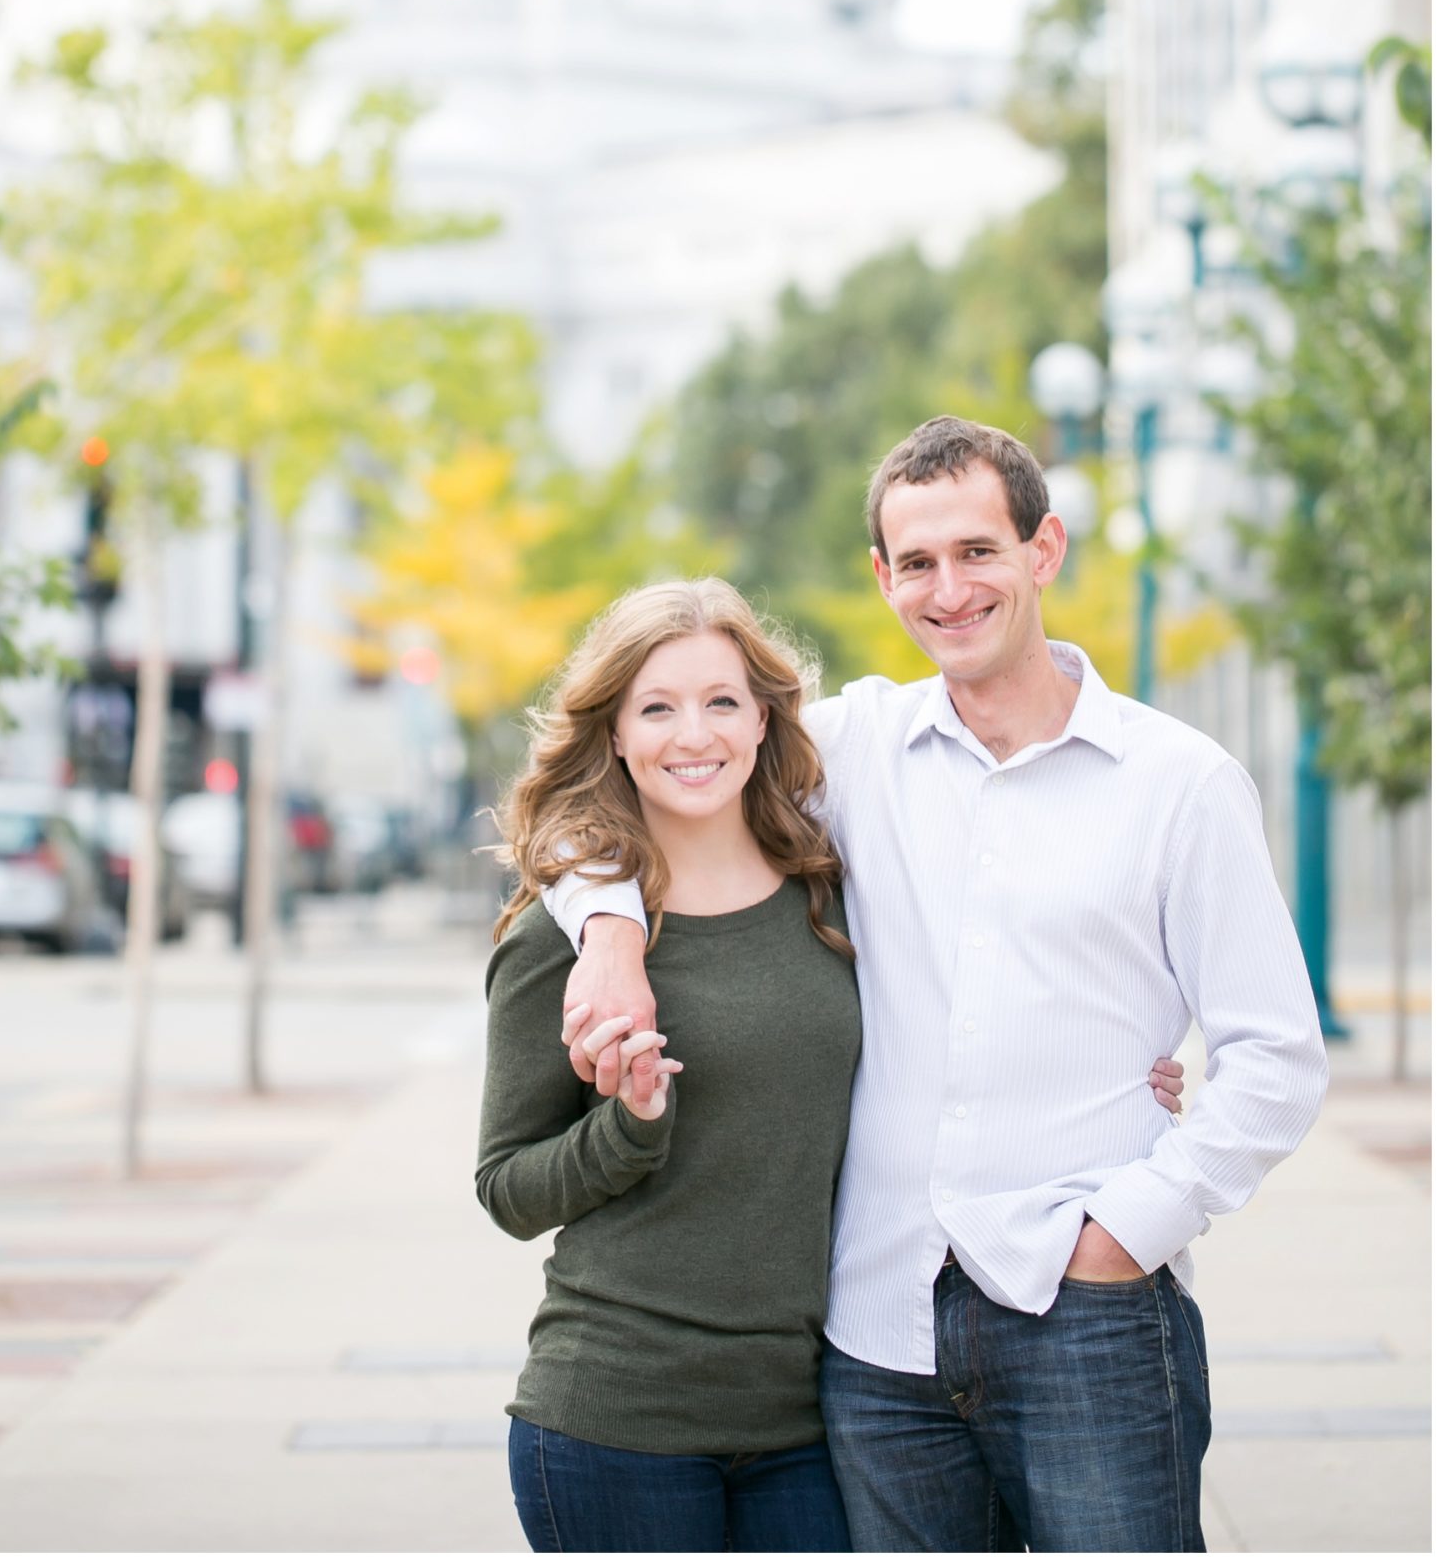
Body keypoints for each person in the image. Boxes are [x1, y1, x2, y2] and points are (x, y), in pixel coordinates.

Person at [553, 415, 1327, 1555]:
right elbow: (647, 785)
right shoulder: (850, 748)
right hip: (880, 1337)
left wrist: (1127, 1230)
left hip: (1091, 1319)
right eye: (917, 562)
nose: (949, 589)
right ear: (883, 576)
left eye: (978, 551)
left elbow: (1278, 1059)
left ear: (1044, 549)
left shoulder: (1180, 783)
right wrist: (611, 932)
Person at [476, 578, 860, 1552]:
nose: (694, 734)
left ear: (764, 719)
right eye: (657, 706)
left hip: (804, 1423)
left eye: (721, 701)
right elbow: (508, 1188)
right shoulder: (561, 937)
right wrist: (628, 1127)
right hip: (615, 1420)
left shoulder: (832, 894)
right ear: (614, 732)